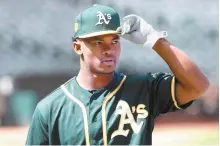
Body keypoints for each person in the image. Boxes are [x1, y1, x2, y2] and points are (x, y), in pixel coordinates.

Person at [26, 4, 209, 145]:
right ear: (77, 47)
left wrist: (156, 40)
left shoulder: (143, 89)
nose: (109, 50)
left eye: (114, 40)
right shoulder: (49, 109)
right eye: (98, 42)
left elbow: (198, 86)